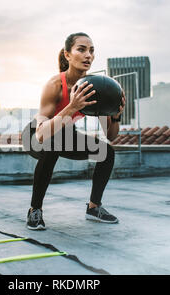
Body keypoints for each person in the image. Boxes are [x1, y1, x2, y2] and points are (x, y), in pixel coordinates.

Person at [26, 32, 125, 230]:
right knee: (51, 146)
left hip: (64, 134)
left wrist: (115, 114)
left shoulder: (95, 87)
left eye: (91, 50)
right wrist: (72, 107)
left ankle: (94, 207)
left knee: (106, 152)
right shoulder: (54, 85)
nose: (88, 55)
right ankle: (34, 210)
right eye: (81, 49)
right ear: (67, 55)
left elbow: (111, 135)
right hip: (35, 134)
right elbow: (41, 135)